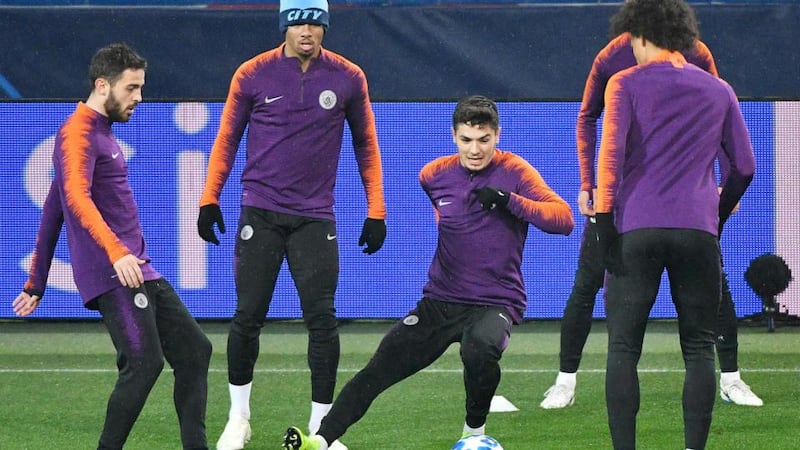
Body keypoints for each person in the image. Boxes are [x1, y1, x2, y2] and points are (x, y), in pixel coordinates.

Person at [280, 95, 575, 450]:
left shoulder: (515, 172)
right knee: (381, 366)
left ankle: (474, 435)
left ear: (497, 135)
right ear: (454, 136)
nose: (475, 149)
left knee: (479, 350)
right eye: (466, 140)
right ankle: (321, 440)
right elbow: (452, 221)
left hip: (495, 303)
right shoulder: (433, 175)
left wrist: (508, 200)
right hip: (440, 302)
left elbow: (564, 220)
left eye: (484, 139)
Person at [539, 4, 763, 410]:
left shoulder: (697, 53)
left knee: (718, 288)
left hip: (683, 201)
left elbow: (719, 121)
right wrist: (588, 184)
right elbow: (587, 116)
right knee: (588, 280)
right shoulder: (611, 58)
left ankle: (732, 378)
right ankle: (564, 381)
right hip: (618, 198)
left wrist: (718, 193)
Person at [196, 1, 386, 449]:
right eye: (299, 22)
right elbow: (226, 139)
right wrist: (209, 198)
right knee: (247, 317)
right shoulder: (252, 73)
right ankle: (238, 419)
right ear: (284, 26)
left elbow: (367, 146)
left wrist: (376, 209)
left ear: (325, 28)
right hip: (260, 213)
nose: (307, 31)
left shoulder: (348, 77)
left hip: (315, 218)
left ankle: (322, 429)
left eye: (316, 23)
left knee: (322, 322)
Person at [12, 43, 212, 450]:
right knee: (144, 363)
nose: (139, 98)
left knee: (195, 351)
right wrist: (116, 252)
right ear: (102, 85)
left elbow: (53, 211)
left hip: (138, 268)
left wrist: (35, 283)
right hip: (113, 271)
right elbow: (77, 202)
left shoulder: (100, 134)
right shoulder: (76, 134)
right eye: (132, 88)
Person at [593, 1, 756, 448]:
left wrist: (604, 221)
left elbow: (609, 157)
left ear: (641, 35)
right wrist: (716, 215)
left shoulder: (624, 83)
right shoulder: (718, 90)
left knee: (624, 348)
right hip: (697, 233)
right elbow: (744, 166)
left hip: (636, 229)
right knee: (699, 348)